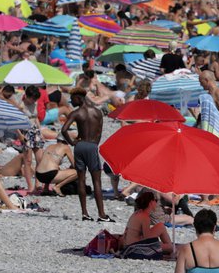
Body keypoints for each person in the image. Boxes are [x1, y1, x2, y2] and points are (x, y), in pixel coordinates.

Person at [61, 88, 113, 222]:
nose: (71, 101)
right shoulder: (97, 112)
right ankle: (102, 214)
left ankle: (85, 213)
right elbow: (99, 132)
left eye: (73, 98)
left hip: (80, 146)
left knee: (81, 180)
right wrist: (94, 144)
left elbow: (64, 129)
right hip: (92, 146)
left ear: (79, 98)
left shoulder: (76, 113)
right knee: (97, 181)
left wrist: (72, 142)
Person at [123, 191, 173, 257]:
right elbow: (147, 240)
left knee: (160, 226)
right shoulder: (145, 217)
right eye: (156, 200)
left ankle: (169, 246)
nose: (157, 203)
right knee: (170, 247)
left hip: (129, 244)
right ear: (150, 203)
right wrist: (158, 244)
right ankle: (171, 248)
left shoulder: (137, 213)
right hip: (136, 247)